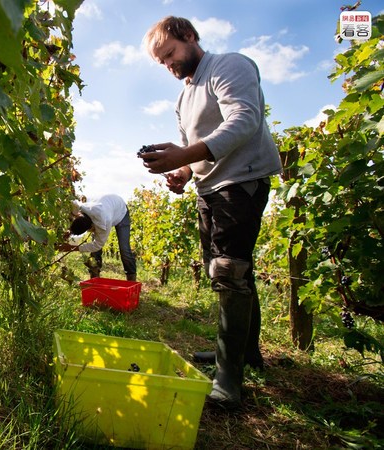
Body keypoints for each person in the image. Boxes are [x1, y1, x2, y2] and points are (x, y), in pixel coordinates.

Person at [139, 16, 282, 410]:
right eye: (162, 63)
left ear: (188, 36)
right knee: (227, 270)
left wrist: (184, 155)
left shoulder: (229, 65)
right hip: (210, 189)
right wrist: (181, 173)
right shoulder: (183, 98)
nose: (169, 65)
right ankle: (244, 352)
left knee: (228, 272)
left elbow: (245, 120)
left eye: (169, 54)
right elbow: (192, 147)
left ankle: (228, 379)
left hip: (242, 181)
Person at [56, 194, 137, 281]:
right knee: (95, 254)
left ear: (92, 226)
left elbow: (97, 245)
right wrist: (70, 231)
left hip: (121, 212)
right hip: (107, 205)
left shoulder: (104, 222)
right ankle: (94, 280)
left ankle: (131, 281)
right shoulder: (81, 207)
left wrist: (71, 248)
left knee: (124, 249)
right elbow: (73, 203)